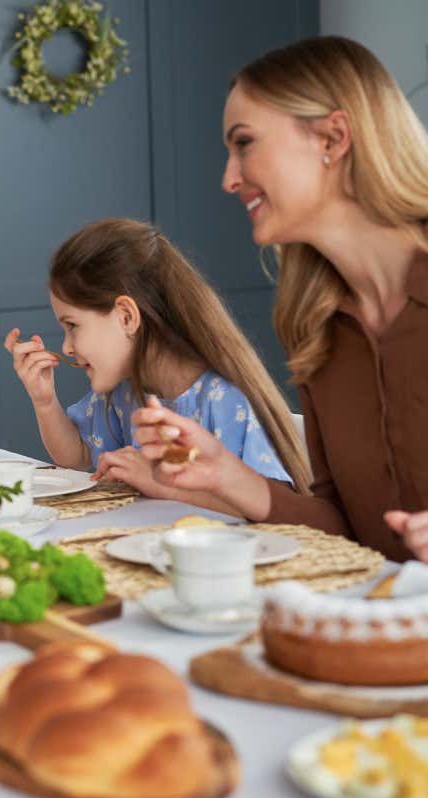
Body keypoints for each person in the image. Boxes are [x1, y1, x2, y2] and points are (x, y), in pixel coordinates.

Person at [131, 36, 428, 561]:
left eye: (244, 143)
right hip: (385, 628)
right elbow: (345, 527)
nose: (228, 178)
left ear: (332, 138)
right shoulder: (315, 328)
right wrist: (225, 474)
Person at [4, 218, 310, 515]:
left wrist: (159, 484)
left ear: (126, 317)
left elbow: (270, 507)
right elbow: (76, 456)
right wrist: (44, 401)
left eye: (72, 326)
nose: (67, 347)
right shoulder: (125, 391)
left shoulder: (223, 400)